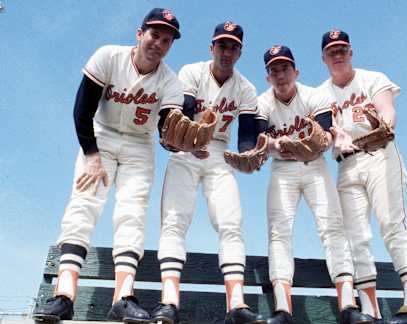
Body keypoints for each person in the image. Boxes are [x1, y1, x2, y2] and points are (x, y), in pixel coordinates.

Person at [32, 8, 184, 323]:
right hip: (100, 135)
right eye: (155, 34)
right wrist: (90, 154)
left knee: (132, 213)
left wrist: (181, 140)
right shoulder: (109, 56)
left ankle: (122, 298)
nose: (159, 43)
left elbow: (166, 131)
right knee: (83, 205)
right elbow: (82, 108)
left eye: (166, 40)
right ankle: (64, 296)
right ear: (140, 33)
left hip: (139, 146)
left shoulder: (170, 82)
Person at [151, 21, 266, 324]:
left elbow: (246, 135)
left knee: (231, 223)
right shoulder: (192, 72)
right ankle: (169, 302)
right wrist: (189, 141)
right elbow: (185, 112)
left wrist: (247, 153)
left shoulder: (246, 88)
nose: (226, 51)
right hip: (187, 149)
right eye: (222, 45)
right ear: (211, 47)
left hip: (219, 153)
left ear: (240, 52)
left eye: (233, 46)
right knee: (175, 222)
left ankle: (236, 304)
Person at [320, 29, 407, 324]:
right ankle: (370, 311)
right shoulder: (321, 94)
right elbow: (325, 129)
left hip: (379, 154)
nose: (338, 55)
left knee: (392, 225)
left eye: (342, 49)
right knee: (356, 236)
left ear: (351, 52)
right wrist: (335, 135)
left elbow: (387, 112)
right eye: (332, 51)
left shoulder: (372, 78)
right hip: (346, 164)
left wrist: (381, 123)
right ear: (324, 57)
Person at [256, 45, 374, 324]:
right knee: (279, 233)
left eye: (285, 68)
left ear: (296, 71)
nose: (280, 74)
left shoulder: (313, 95)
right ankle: (283, 310)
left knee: (332, 227)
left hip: (313, 166)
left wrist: (298, 145)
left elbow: (324, 134)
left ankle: (348, 306)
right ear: (267, 77)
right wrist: (272, 144)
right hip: (282, 171)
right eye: (274, 70)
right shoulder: (263, 102)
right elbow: (255, 138)